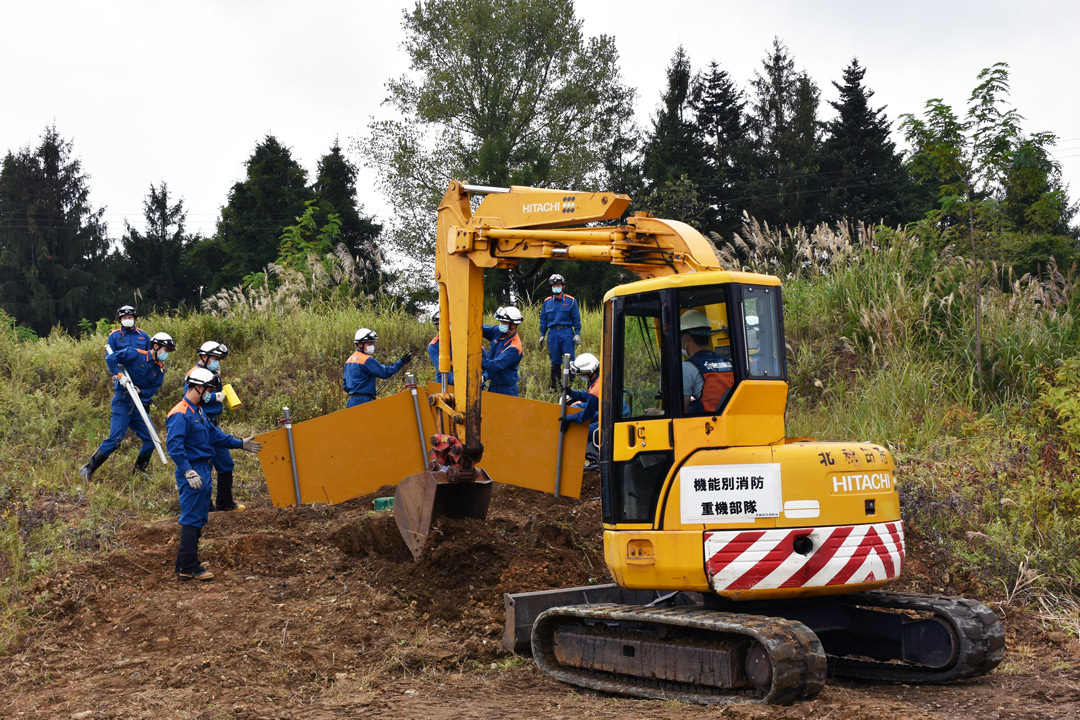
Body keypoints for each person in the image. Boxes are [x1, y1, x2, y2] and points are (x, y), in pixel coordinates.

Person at [167, 368, 262, 581]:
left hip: (204, 467)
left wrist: (240, 444)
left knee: (200, 517)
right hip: (193, 470)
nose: (210, 393)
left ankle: (184, 561)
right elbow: (174, 447)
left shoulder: (198, 411)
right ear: (198, 387)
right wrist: (188, 470)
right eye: (208, 389)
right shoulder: (180, 413)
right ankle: (189, 568)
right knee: (191, 518)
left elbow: (215, 435)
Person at [79, 332, 176, 481]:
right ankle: (88, 469)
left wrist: (141, 391)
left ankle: (138, 471)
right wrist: (119, 376)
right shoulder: (135, 354)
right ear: (156, 346)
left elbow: (153, 389)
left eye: (169, 352)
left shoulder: (159, 370)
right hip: (122, 401)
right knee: (116, 439)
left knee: (151, 439)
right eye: (165, 349)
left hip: (138, 406)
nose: (166, 354)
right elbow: (111, 358)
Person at [187, 341, 244, 512]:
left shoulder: (212, 372)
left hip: (213, 426)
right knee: (205, 465)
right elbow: (191, 398)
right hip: (200, 426)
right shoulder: (195, 374)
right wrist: (214, 397)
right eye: (215, 358)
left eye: (219, 359)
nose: (217, 361)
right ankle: (205, 506)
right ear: (204, 357)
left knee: (226, 464)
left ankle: (224, 502)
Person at [680, 309, 734, 414]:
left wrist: (660, 413)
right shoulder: (729, 363)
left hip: (704, 427)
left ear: (686, 338)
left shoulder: (687, 368)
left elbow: (681, 414)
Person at [343, 328, 410, 407]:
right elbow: (385, 373)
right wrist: (401, 362)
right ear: (360, 344)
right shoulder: (366, 360)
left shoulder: (349, 360)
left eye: (372, 343)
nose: (372, 346)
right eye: (369, 344)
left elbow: (345, 385)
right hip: (364, 402)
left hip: (351, 402)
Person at [537, 274, 581, 390]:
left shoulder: (571, 301)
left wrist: (577, 333)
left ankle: (570, 388)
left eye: (558, 285)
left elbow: (576, 318)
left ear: (563, 286)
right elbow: (543, 319)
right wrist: (542, 335)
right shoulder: (547, 302)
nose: (556, 287)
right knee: (555, 362)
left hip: (566, 333)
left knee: (570, 361)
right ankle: (555, 388)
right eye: (554, 285)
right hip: (553, 334)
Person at [561, 352, 601, 471]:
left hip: (607, 419)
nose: (582, 377)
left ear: (590, 372)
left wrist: (568, 418)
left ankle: (595, 461)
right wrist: (572, 393)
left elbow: (585, 416)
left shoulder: (596, 389)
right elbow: (588, 397)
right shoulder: (600, 378)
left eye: (582, 374)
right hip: (604, 412)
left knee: (580, 431)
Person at [482, 306, 524, 396]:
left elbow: (494, 366)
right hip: (493, 386)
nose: (501, 324)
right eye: (501, 322)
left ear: (514, 325)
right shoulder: (499, 332)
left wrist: (475, 359)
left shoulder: (515, 347)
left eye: (504, 322)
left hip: (506, 391)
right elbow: (480, 329)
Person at [427, 310, 454, 386]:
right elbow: (444, 370)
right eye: (438, 325)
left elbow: (487, 362)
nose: (440, 327)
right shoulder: (434, 346)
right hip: (446, 386)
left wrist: (483, 377)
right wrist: (458, 382)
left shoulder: (468, 340)